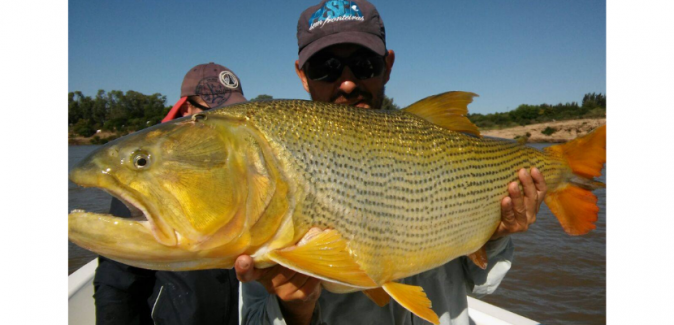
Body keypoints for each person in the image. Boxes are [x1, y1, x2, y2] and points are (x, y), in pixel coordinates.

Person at [235, 1, 547, 325]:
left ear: (388, 65)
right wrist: (295, 310)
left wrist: (495, 234)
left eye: (364, 64)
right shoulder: (268, 173)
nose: (346, 82)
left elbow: (482, 284)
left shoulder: (435, 147)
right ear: (302, 75)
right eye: (325, 67)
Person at [93, 62, 247, 325]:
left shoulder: (245, 163)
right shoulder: (144, 175)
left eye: (232, 112)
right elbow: (118, 282)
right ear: (188, 109)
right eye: (213, 113)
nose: (224, 123)